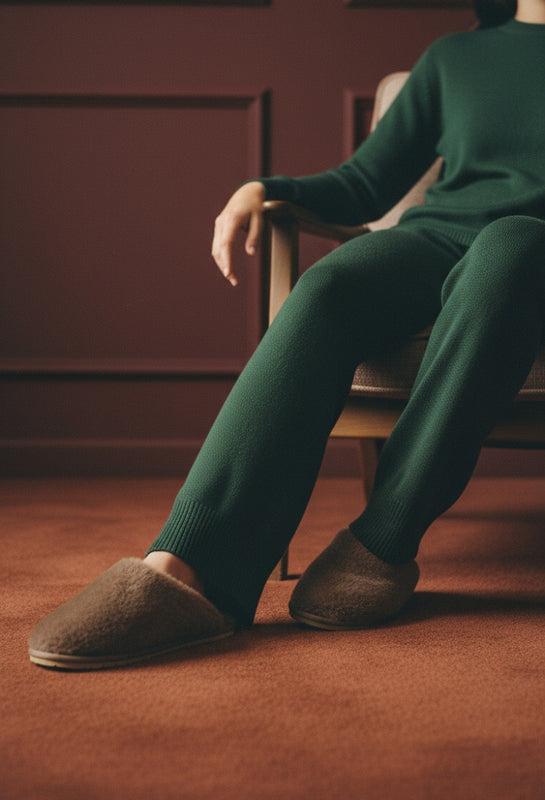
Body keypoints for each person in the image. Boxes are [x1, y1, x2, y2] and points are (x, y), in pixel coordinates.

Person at [29, 0, 545, 670]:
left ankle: (381, 539)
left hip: (528, 254)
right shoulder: (454, 56)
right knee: (331, 286)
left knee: (506, 247)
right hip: (437, 236)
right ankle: (189, 569)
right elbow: (365, 184)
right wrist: (261, 186)